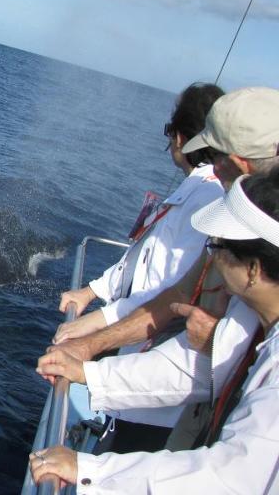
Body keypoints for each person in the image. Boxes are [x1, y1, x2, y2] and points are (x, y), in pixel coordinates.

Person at [30, 169, 279, 493]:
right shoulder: (253, 313)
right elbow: (198, 370)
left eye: (217, 247)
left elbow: (229, 477)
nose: (210, 259)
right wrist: (90, 374)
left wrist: (92, 469)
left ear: (253, 270)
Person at [51, 87, 279, 369]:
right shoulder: (203, 189)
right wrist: (93, 295)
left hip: (162, 360)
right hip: (149, 355)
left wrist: (95, 339)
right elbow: (162, 269)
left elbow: (176, 291)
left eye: (219, 158)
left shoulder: (212, 201)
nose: (215, 168)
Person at [53, 83, 225, 449]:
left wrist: (92, 334)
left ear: (180, 137)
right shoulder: (195, 193)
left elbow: (170, 296)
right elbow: (144, 258)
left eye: (170, 132)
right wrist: (92, 292)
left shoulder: (205, 201)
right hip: (141, 370)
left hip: (157, 395)